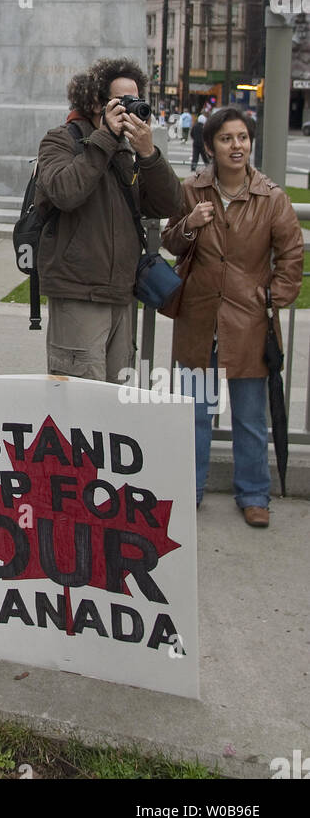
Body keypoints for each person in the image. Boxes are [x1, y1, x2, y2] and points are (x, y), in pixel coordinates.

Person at [161, 107, 303, 527]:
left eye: (242, 137)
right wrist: (190, 223)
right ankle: (191, 490)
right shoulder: (192, 191)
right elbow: (172, 242)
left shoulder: (271, 197)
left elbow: (292, 252)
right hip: (199, 318)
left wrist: (272, 297)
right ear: (210, 146)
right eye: (226, 138)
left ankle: (255, 495)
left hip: (250, 322)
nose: (236, 145)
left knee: (250, 417)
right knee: (196, 415)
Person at [35, 58, 183, 382]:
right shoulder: (61, 140)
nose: (129, 110)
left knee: (113, 406)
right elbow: (64, 191)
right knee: (78, 402)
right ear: (96, 102)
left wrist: (148, 154)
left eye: (136, 101)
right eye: (121, 101)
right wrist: (103, 139)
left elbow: (171, 203)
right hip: (79, 295)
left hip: (121, 295)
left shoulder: (125, 153)